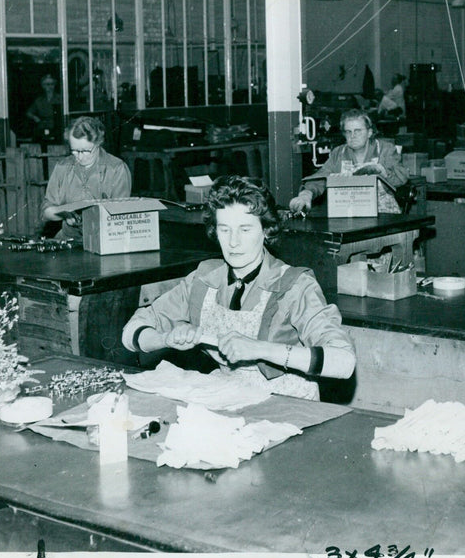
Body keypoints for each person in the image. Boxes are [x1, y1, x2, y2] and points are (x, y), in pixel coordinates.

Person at [122, 176, 356, 401]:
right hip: (228, 395)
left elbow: (343, 362)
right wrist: (166, 339)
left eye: (245, 229)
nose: (233, 242)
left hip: (287, 402)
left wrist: (262, 350)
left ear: (266, 231)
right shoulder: (204, 279)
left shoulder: (295, 286)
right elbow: (130, 333)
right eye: (225, 229)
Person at [288, 109, 409, 215]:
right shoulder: (339, 153)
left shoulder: (384, 149)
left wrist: (383, 172)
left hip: (384, 214)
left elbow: (402, 177)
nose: (353, 136)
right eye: (348, 132)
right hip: (349, 212)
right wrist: (306, 194)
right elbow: (322, 177)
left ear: (370, 132)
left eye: (358, 131)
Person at [41, 116, 131, 240]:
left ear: (98, 143)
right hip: (69, 236)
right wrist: (62, 214)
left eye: (85, 151)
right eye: (74, 151)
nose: (79, 157)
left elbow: (121, 214)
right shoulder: (62, 167)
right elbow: (47, 210)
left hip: (106, 238)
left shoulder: (116, 168)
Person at [26, 73, 63, 143]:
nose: (50, 86)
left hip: (56, 129)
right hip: (41, 128)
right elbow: (29, 112)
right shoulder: (39, 100)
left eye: (52, 84)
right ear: (43, 86)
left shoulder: (60, 98)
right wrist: (35, 117)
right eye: (47, 84)